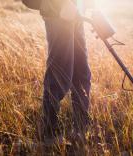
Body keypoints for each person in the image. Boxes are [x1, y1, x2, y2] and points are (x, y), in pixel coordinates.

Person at [39, 0, 94, 145]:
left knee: (81, 73)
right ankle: (50, 136)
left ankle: (80, 130)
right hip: (58, 12)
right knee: (59, 75)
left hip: (75, 10)